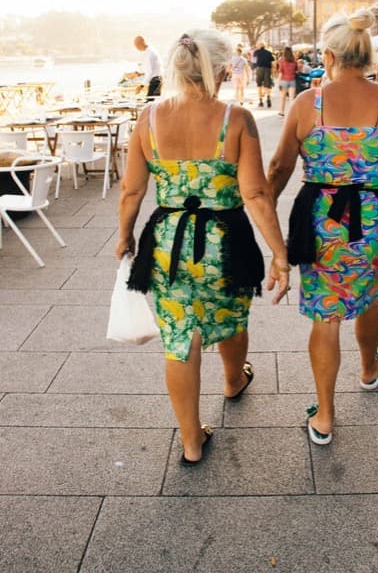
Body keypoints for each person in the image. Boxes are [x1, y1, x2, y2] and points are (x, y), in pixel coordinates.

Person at [116, 30, 289, 465]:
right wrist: (279, 253)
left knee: (180, 339)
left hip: (168, 241)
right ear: (224, 70)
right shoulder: (237, 119)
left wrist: (125, 235)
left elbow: (131, 191)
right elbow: (255, 194)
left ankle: (191, 441)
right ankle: (233, 381)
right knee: (230, 315)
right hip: (226, 241)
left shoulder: (148, 118)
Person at [267, 10, 378, 446]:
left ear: (329, 56)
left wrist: (265, 213)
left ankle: (324, 415)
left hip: (321, 223)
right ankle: (370, 368)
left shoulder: (308, 103)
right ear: (369, 56)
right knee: (369, 297)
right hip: (375, 220)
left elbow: (280, 167)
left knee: (327, 313)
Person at [277, 46, 298, 117]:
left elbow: (280, 73)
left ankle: (281, 112)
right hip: (292, 80)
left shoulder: (282, 61)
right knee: (292, 98)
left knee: (283, 98)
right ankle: (292, 114)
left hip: (284, 81)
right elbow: (296, 70)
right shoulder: (294, 61)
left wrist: (278, 83)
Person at [254, 40, 275, 108]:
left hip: (259, 69)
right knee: (267, 85)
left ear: (259, 45)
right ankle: (268, 98)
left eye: (257, 45)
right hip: (267, 69)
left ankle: (261, 101)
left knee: (259, 85)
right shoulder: (269, 52)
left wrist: (254, 69)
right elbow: (272, 63)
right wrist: (272, 72)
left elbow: (254, 61)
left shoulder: (256, 52)